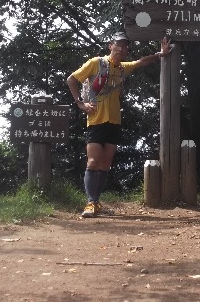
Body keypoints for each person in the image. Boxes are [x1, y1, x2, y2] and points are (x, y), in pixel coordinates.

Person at [67, 32, 173, 217]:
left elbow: (140, 62)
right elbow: (71, 79)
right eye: (118, 45)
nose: (122, 49)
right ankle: (91, 203)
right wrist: (80, 104)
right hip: (95, 120)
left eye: (125, 46)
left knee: (105, 164)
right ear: (110, 46)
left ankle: (97, 202)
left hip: (114, 121)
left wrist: (160, 54)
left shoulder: (122, 68)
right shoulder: (96, 63)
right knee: (93, 162)